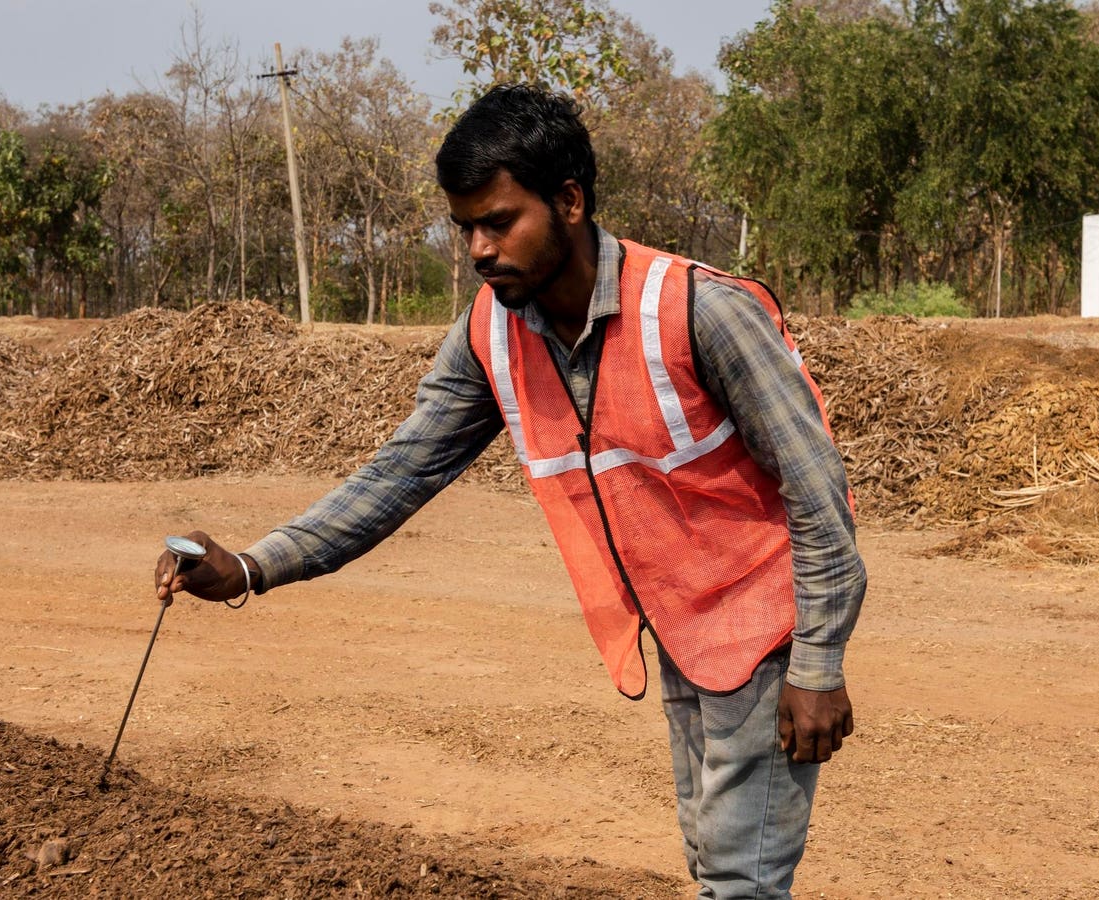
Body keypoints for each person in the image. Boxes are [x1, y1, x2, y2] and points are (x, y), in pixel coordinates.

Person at [154, 84, 866, 899]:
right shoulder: (490, 333)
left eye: (497, 222)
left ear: (569, 201)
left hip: (766, 627)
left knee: (739, 881)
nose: (478, 251)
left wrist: (817, 665)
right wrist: (251, 568)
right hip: (679, 629)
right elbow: (398, 473)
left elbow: (818, 495)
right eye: (465, 228)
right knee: (714, 863)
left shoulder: (699, 310)